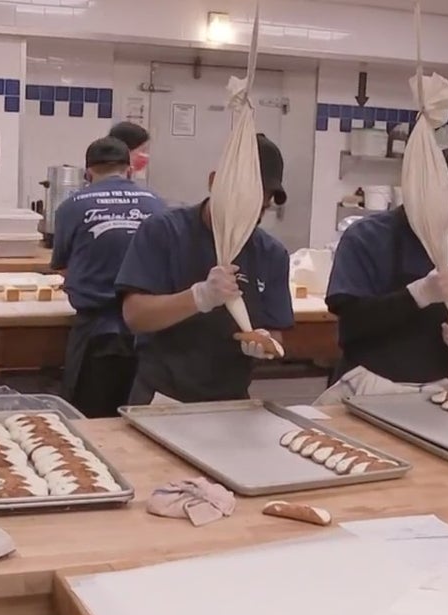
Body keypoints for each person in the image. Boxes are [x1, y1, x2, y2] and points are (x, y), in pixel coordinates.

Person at [115, 133, 293, 403]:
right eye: (242, 204)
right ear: (214, 182)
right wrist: (198, 297)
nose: (249, 217)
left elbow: (276, 332)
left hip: (230, 401)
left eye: (260, 209)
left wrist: (267, 345)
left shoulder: (271, 254)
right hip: (162, 398)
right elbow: (135, 315)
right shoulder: (164, 232)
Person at [317, 147, 448, 402]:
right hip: (366, 385)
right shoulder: (366, 238)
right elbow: (352, 323)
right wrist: (418, 295)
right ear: (423, 196)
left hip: (433, 392)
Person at [51, 136, 168, 417]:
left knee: (89, 422)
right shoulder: (157, 204)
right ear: (129, 170)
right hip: (149, 330)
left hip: (96, 333)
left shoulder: (71, 206)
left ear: (88, 173)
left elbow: (63, 266)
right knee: (138, 420)